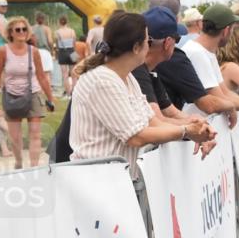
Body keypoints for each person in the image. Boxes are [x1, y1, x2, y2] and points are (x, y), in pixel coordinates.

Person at [70, 12, 215, 173]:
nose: (149, 46)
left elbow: (153, 123)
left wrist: (194, 128)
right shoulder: (103, 80)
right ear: (136, 47)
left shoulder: (128, 78)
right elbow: (136, 137)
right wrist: (186, 130)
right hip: (97, 179)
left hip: (113, 179)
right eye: (148, 41)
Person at [180, 3, 239, 123]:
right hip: (191, 126)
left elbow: (225, 93)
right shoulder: (197, 53)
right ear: (226, 31)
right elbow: (218, 99)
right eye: (233, 29)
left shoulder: (206, 52)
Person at [0, 16, 57, 169]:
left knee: (35, 133)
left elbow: (41, 76)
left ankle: (34, 168)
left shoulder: (34, 52)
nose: (22, 32)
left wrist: (50, 98)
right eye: (18, 29)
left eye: (24, 29)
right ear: (11, 33)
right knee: (15, 137)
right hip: (11, 95)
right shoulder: (3, 51)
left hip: (33, 93)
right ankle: (19, 163)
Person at [55, 15, 78, 96]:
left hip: (62, 52)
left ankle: (68, 93)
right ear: (67, 22)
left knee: (65, 75)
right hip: (72, 51)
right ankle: (74, 92)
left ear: (59, 22)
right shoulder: (72, 31)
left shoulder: (57, 32)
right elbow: (74, 44)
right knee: (74, 73)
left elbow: (57, 45)